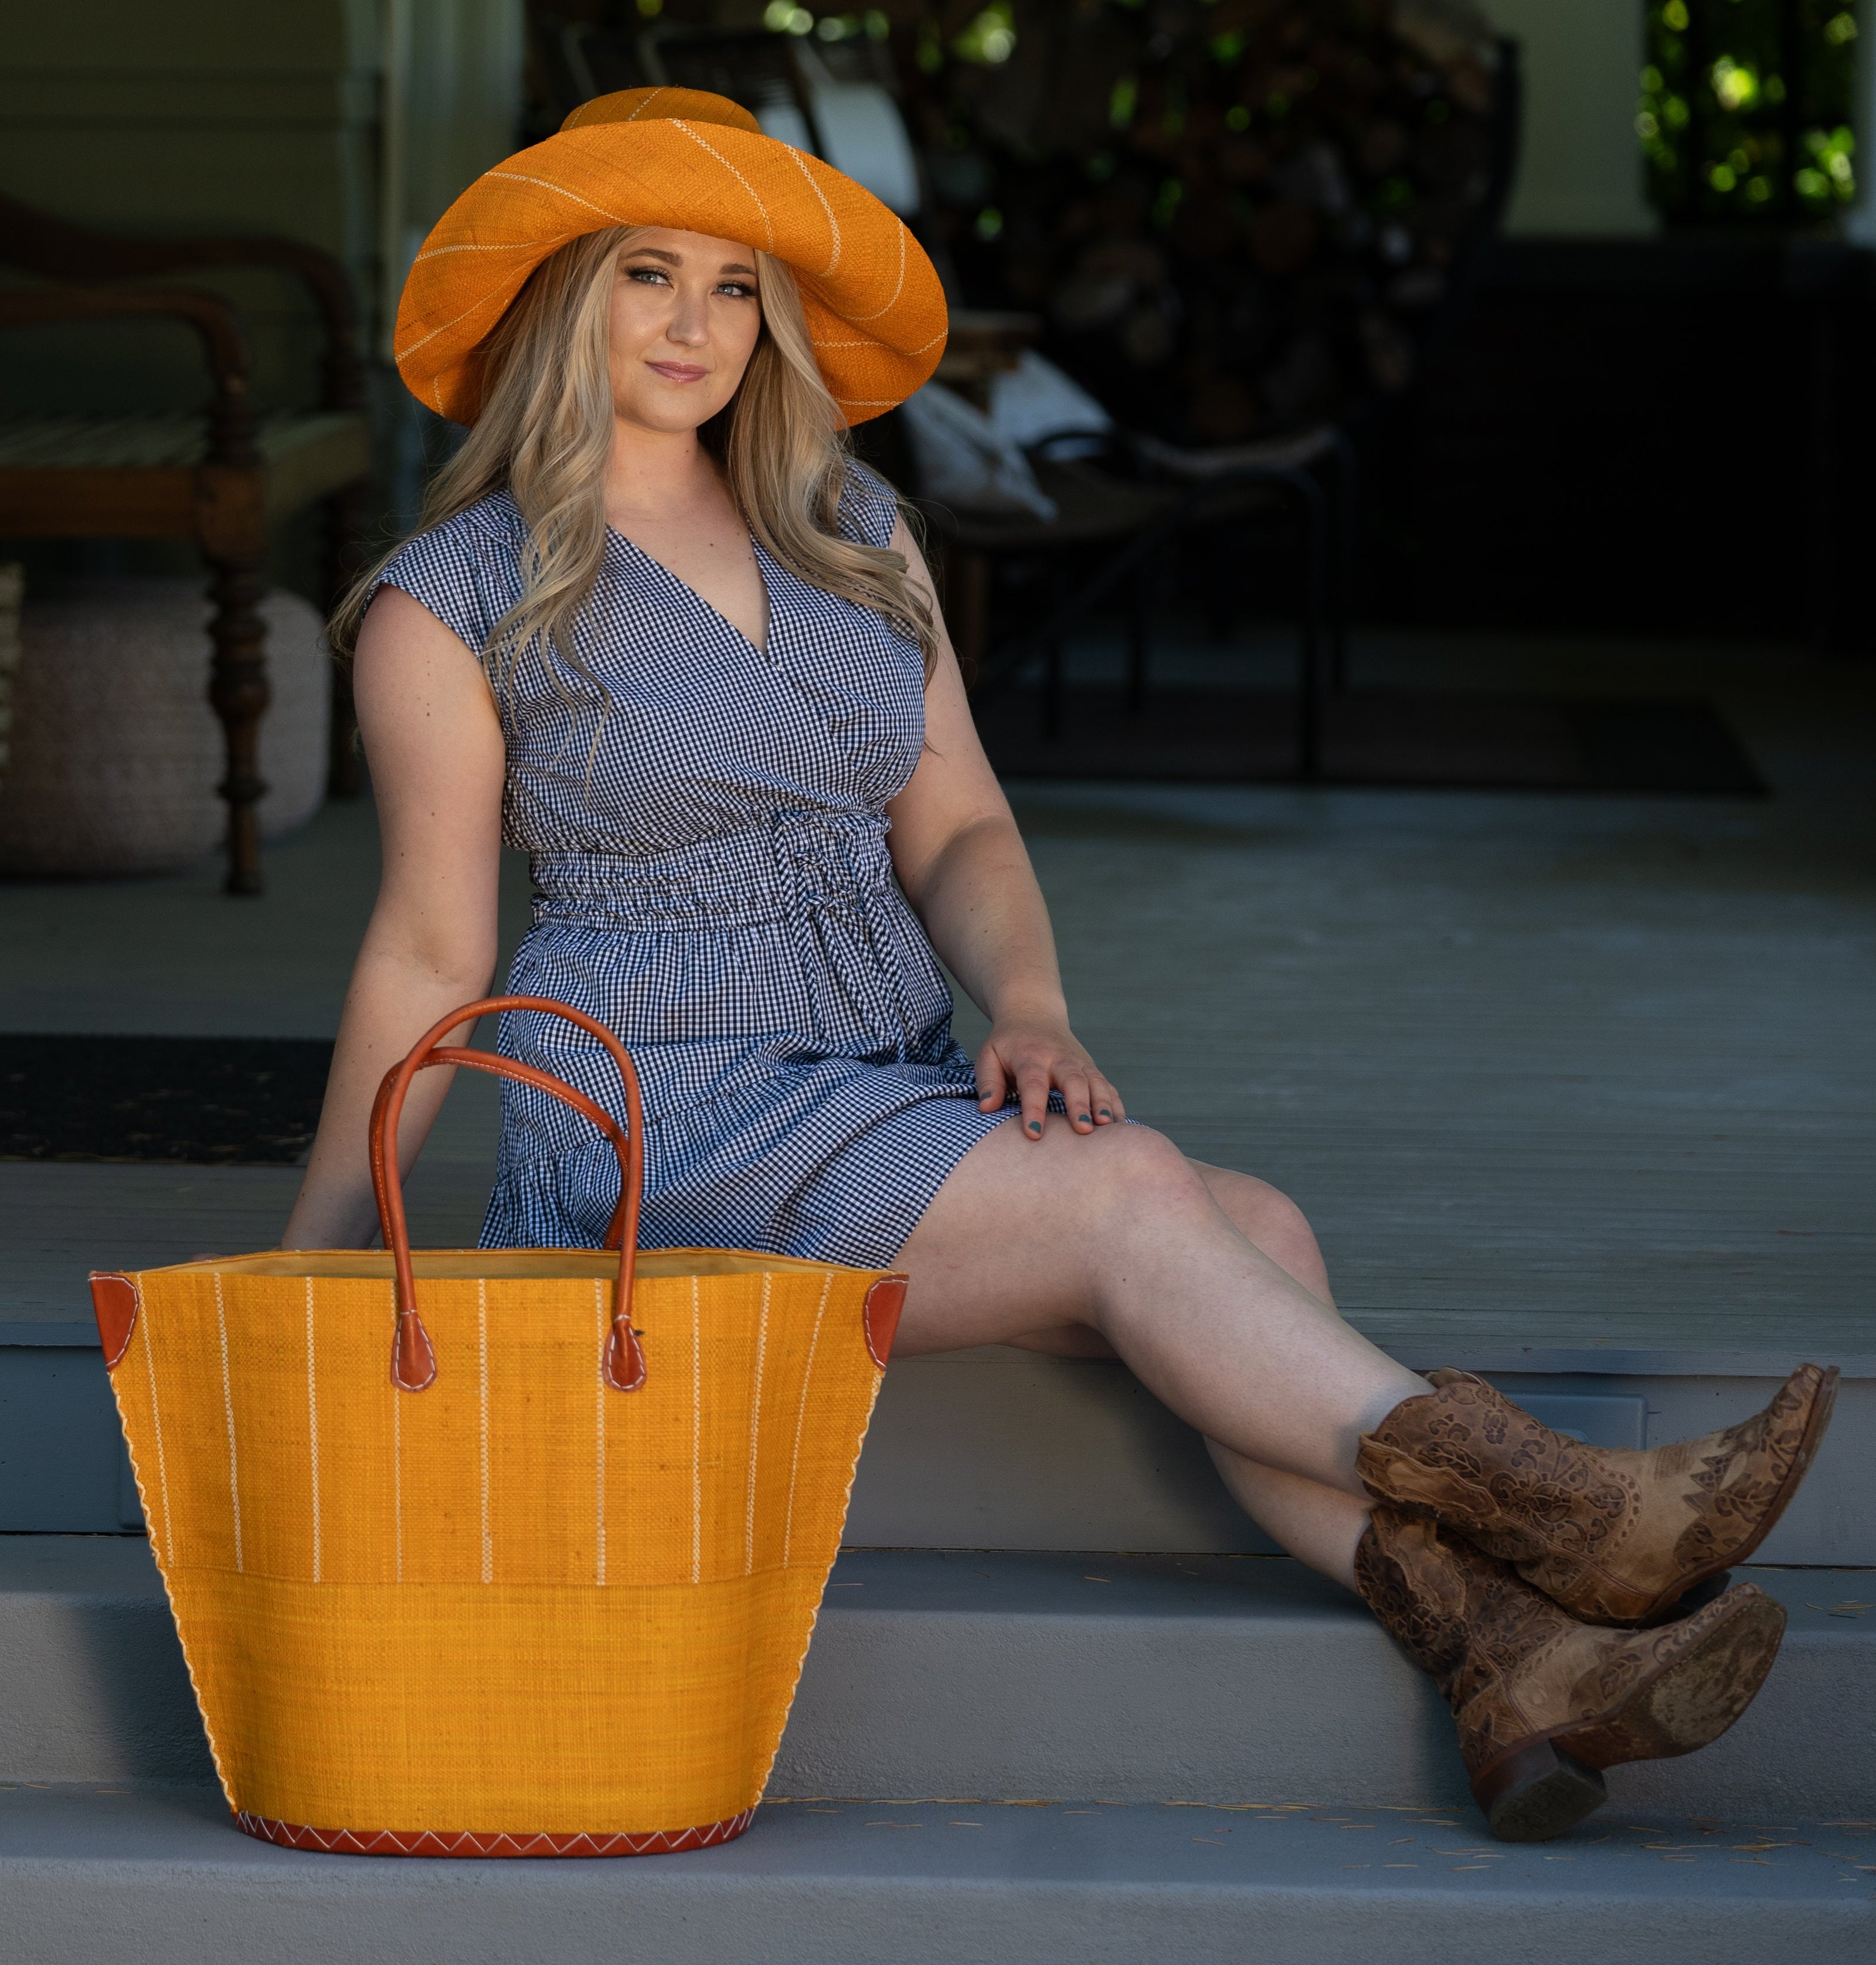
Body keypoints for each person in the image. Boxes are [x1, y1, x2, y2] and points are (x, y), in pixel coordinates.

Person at [286, 88, 1835, 1844]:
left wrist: (1029, 1009)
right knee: (1134, 1200)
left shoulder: (849, 526)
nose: (696, 326)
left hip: (876, 1083)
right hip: (661, 1127)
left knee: (1256, 1240)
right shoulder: (459, 595)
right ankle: (1575, 1510)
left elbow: (961, 830)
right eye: (650, 275)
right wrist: (312, 1267)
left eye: (737, 289)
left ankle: (1515, 1669)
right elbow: (425, 945)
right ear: (569, 296)